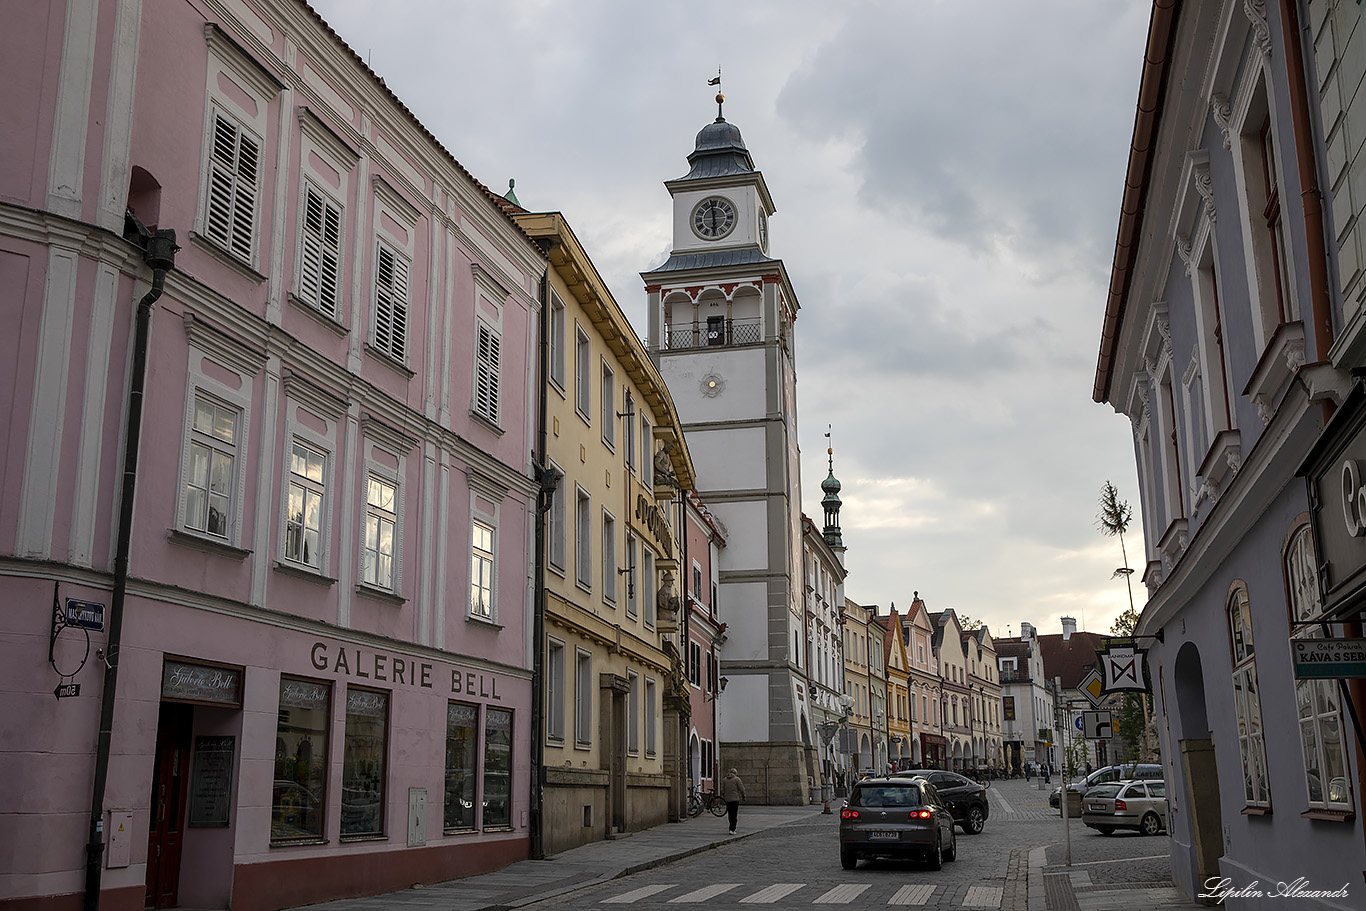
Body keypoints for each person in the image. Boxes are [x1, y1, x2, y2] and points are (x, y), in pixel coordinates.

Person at [720, 767, 746, 835]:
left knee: (730, 814)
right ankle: (732, 829)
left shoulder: (724, 780)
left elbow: (722, 790)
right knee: (734, 814)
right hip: (735, 799)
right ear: (735, 773)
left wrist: (724, 795)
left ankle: (730, 827)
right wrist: (744, 796)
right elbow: (742, 789)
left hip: (728, 799)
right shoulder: (737, 779)